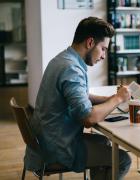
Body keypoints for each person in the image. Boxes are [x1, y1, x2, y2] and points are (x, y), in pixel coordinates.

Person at [25, 17, 131, 180]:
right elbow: (88, 118)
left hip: (45, 140)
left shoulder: (63, 59)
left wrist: (108, 99)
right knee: (122, 160)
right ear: (90, 43)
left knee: (103, 142)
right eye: (103, 49)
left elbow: (78, 96)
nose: (103, 56)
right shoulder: (72, 69)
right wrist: (117, 99)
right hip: (58, 148)